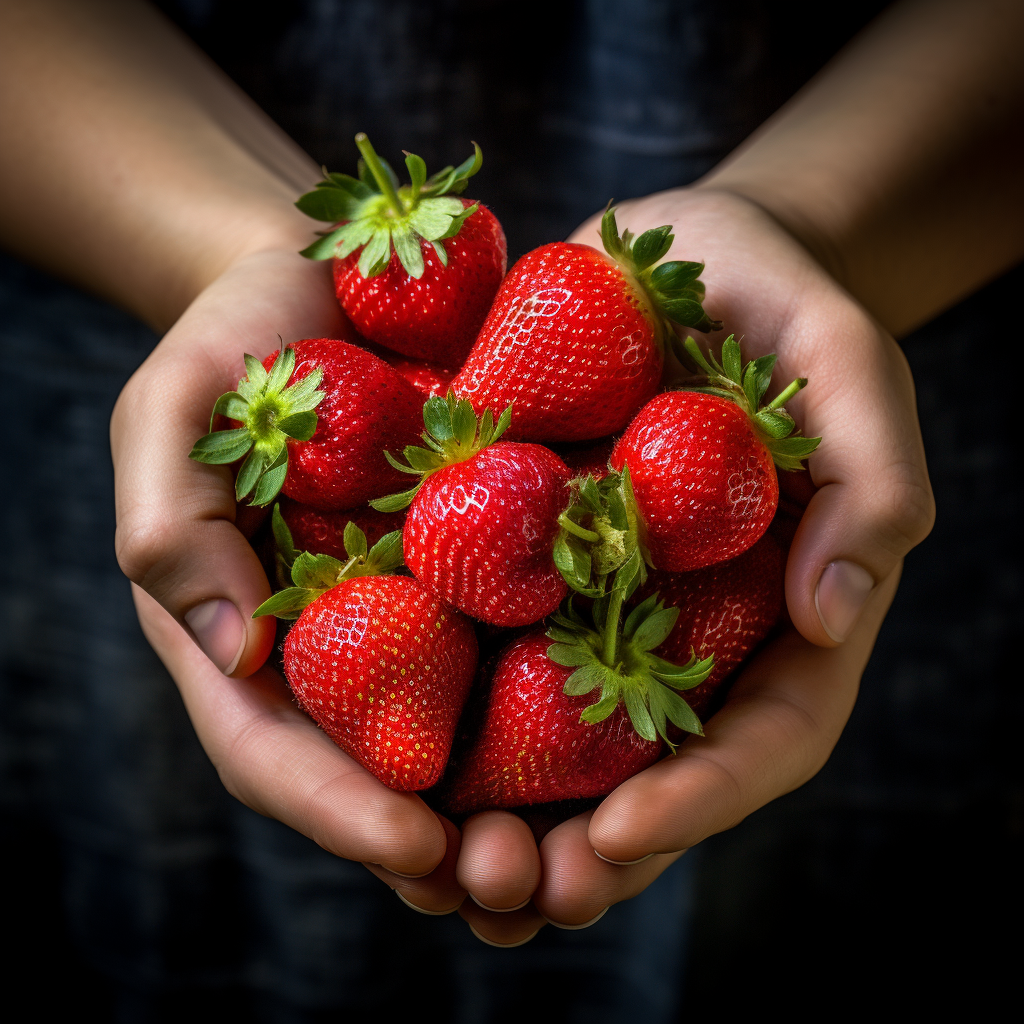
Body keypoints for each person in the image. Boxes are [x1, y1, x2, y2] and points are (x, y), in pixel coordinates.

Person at [0, 0, 1021, 1015]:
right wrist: (221, 255)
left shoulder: (607, 473)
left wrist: (815, 228)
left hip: (916, 267)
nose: (470, 426)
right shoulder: (500, 448)